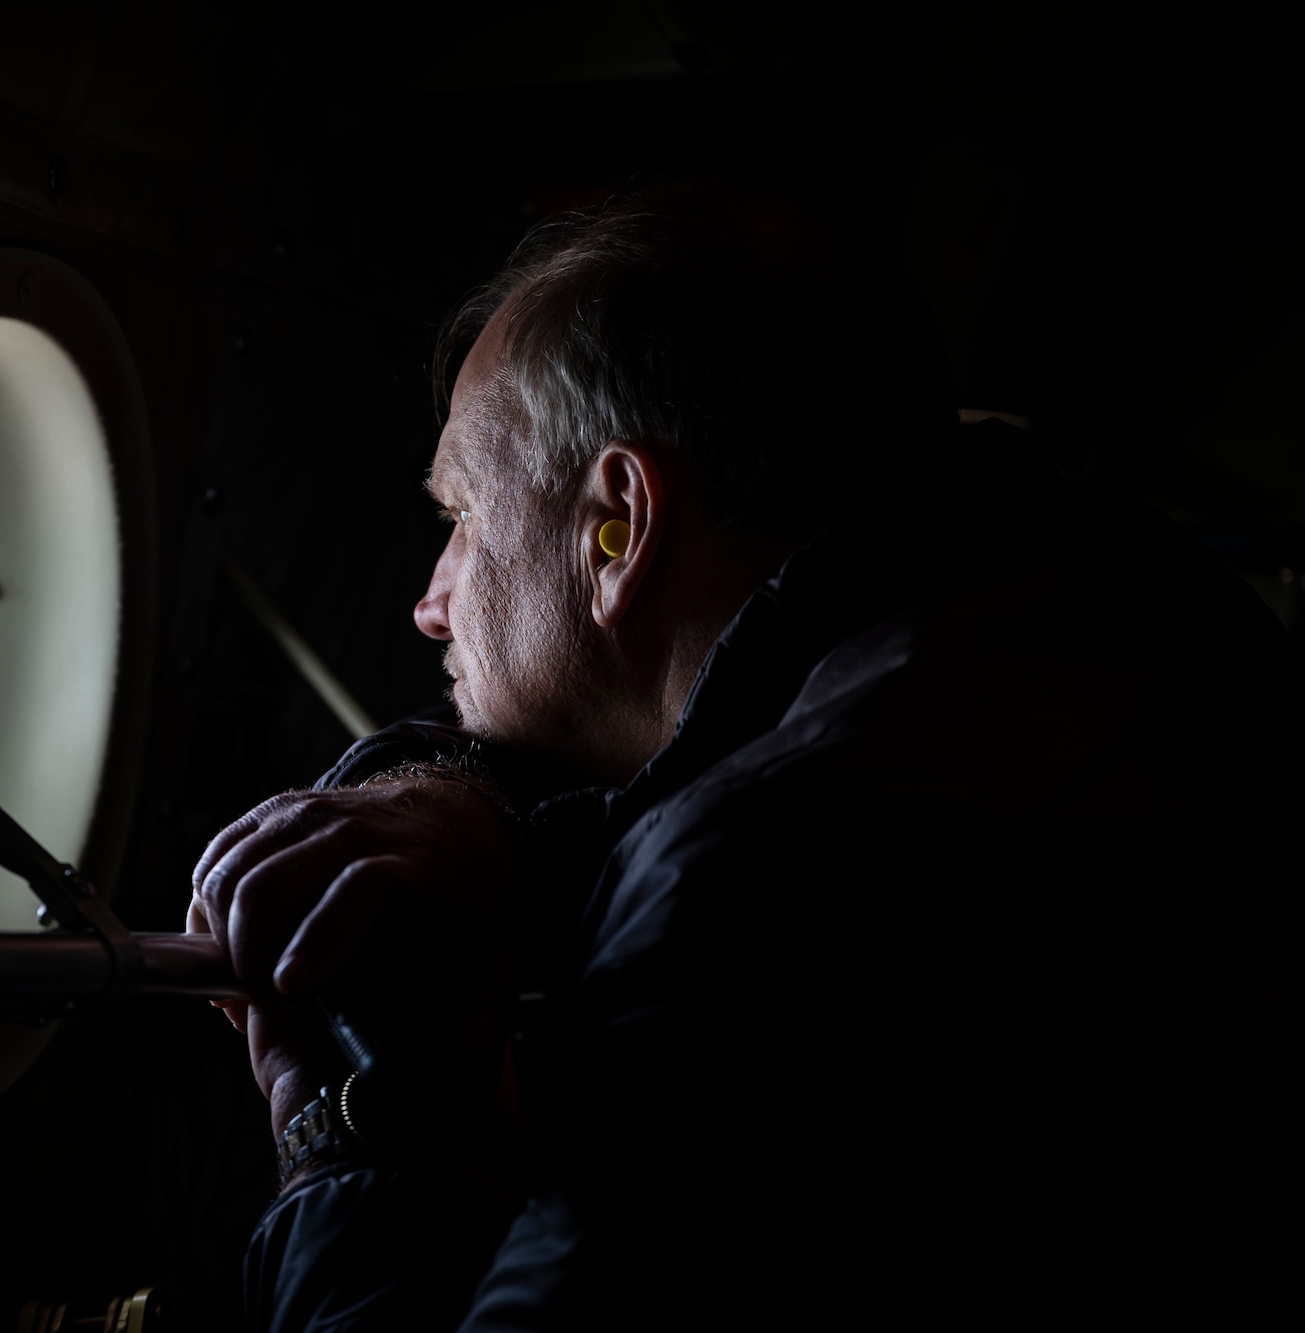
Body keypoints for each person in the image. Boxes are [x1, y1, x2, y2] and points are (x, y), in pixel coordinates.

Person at [187, 184, 1295, 1328]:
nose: (430, 604)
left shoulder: (743, 894)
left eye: (462, 513)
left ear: (615, 527)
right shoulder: (1098, 596)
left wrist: (347, 1129)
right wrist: (459, 804)